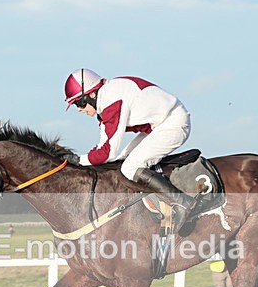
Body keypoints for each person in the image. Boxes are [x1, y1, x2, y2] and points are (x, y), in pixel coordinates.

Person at [64, 68, 195, 233]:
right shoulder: (106, 100)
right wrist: (81, 160)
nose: (79, 109)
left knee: (129, 168)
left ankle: (182, 202)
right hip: (160, 125)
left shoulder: (111, 100)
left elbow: (107, 152)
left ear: (92, 94)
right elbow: (103, 148)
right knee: (121, 161)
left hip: (173, 123)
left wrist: (77, 160)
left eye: (79, 103)